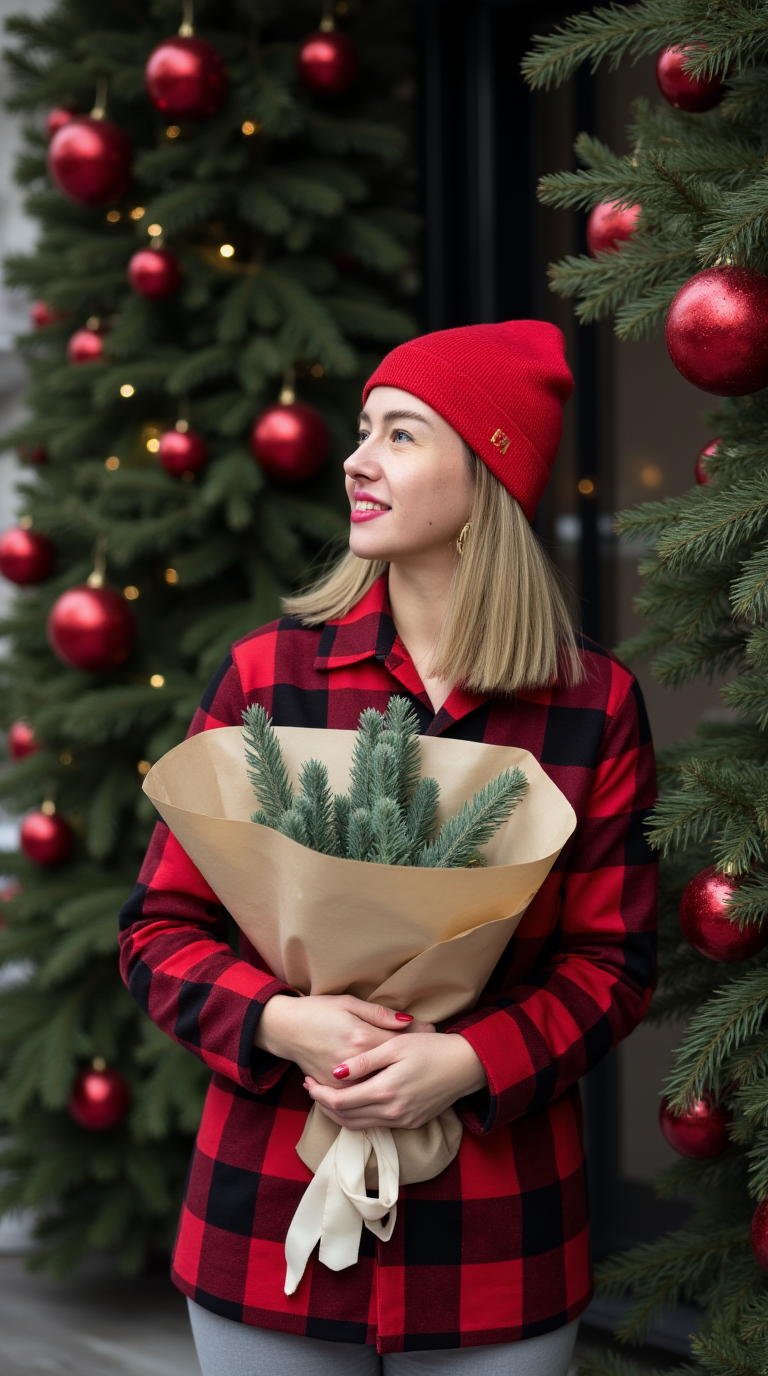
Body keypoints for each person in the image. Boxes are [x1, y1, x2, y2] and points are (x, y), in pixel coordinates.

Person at [119, 321, 658, 1376]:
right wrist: (284, 1020)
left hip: (500, 1233)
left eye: (401, 434)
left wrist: (464, 1058)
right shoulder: (268, 676)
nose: (358, 459)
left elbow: (612, 965)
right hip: (264, 1208)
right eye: (364, 429)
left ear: (489, 472)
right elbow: (155, 932)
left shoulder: (594, 705)